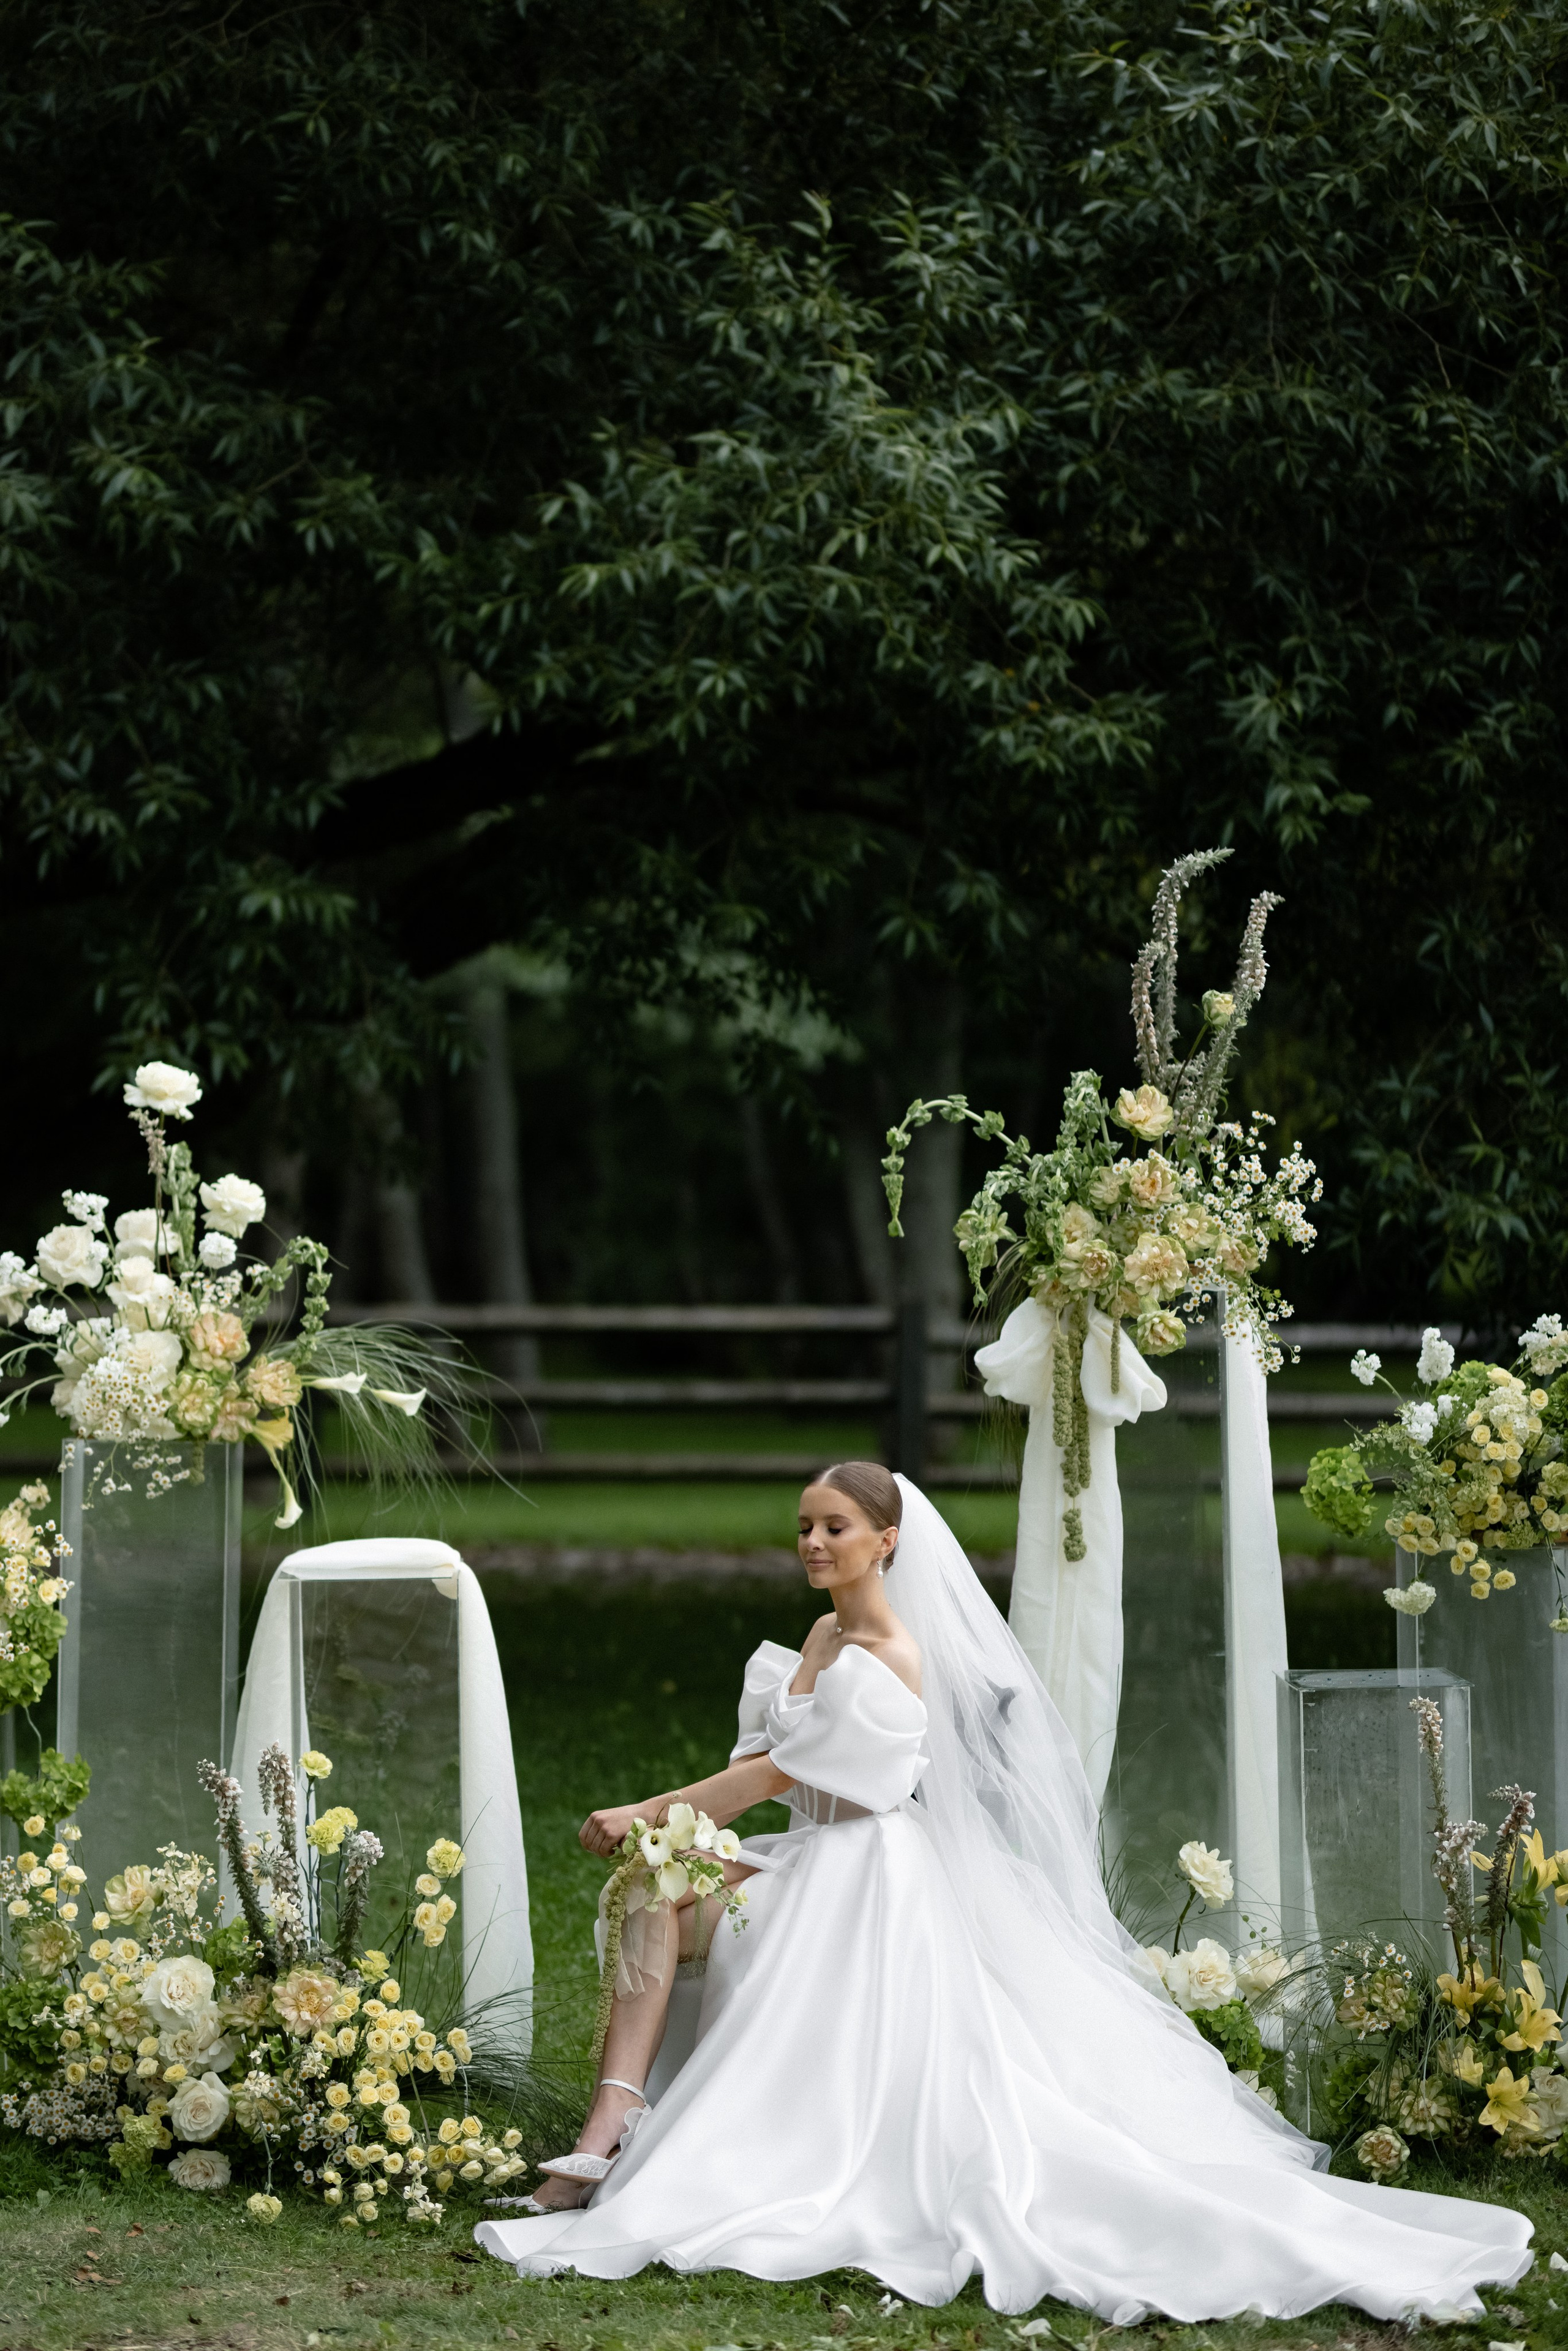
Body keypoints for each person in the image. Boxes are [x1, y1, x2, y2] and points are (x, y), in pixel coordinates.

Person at [477, 1465, 1531, 2321]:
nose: (812, 1543)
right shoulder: (821, 1637)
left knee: (652, 1866)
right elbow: (762, 1762)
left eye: (834, 1526)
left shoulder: (888, 1654)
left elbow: (772, 1777)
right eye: (803, 1526)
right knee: (648, 1889)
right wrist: (670, 1832)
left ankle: (616, 2139)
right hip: (806, 1855)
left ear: (887, 1539)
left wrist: (646, 1807)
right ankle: (607, 2124)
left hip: (864, 1876)